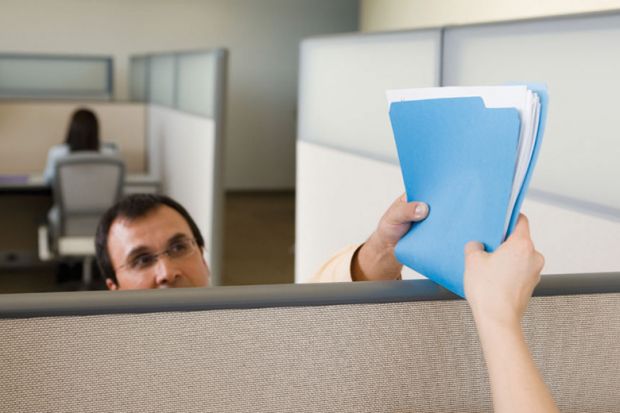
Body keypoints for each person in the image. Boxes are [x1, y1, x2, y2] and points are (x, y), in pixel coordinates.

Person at [95, 193, 558, 411]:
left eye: (180, 248)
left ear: (203, 254)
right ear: (111, 285)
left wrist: (384, 247)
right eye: (140, 260)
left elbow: (318, 304)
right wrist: (497, 315)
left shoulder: (255, 333)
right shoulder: (92, 385)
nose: (166, 272)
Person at [43, 108, 117, 184]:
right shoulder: (110, 155)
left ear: (72, 129)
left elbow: (48, 180)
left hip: (68, 196)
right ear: (96, 129)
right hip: (101, 195)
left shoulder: (57, 153)